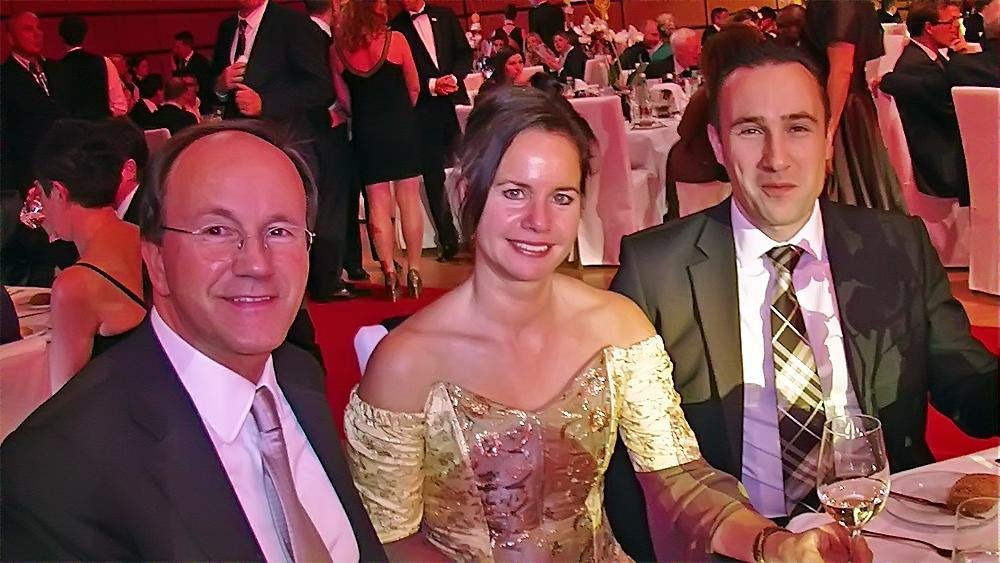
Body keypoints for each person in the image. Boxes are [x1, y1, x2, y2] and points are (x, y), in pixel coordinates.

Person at [344, 86, 871, 563]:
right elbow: (389, 539)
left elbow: (678, 477)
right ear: (466, 194)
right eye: (514, 192)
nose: (538, 221)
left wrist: (773, 545)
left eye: (561, 197)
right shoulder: (407, 362)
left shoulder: (616, 327)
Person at [606, 42, 998, 557]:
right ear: (718, 144)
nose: (777, 158)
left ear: (828, 138)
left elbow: (968, 389)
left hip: (882, 527)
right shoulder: (656, 270)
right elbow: (626, 459)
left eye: (798, 127)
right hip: (741, 539)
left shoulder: (895, 245)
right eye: (750, 131)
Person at [0, 120, 388, 561]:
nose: (256, 264)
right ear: (157, 261)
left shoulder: (299, 377)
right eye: (217, 230)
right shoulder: (57, 470)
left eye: (279, 231)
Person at [28, 120, 145, 389]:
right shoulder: (145, 238)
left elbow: (65, 397)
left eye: (42, 196)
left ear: (58, 191)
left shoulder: (75, 286)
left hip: (122, 411)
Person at [337, 0, 424, 301]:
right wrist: (401, 114)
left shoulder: (337, 51)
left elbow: (345, 102)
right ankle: (414, 271)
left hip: (367, 131)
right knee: (409, 199)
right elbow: (414, 87)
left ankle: (388, 274)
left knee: (377, 204)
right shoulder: (396, 40)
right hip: (401, 126)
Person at [803, 0, 905, 212]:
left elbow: (842, 69)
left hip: (840, 109)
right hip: (846, 104)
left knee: (846, 188)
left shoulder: (839, 4)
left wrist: (828, 132)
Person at [392, 0, 471, 263]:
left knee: (474, 167)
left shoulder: (445, 15)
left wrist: (454, 78)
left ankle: (481, 231)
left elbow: (464, 54)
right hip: (424, 110)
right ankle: (448, 239)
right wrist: (432, 85)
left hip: (456, 103)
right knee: (433, 176)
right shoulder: (396, 27)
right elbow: (399, 72)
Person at [664, 25, 763, 220]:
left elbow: (684, 130)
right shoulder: (714, 94)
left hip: (707, 172)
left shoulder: (714, 91)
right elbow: (685, 131)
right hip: (701, 174)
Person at [1, 11, 70, 287]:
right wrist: (20, 183)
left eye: (39, 28)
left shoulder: (57, 71)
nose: (37, 34)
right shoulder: (5, 78)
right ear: (10, 37)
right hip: (27, 180)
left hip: (65, 173)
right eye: (27, 29)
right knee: (36, 248)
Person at [879, 0, 972, 205]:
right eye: (951, 22)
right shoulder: (916, 64)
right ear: (929, 27)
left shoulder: (930, 57)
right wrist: (963, 59)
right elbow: (957, 109)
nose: (957, 28)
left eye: (958, 21)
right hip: (942, 162)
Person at [57, 15, 128, 119]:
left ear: (61, 38)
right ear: (85, 35)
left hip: (73, 127)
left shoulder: (57, 68)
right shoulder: (104, 62)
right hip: (102, 125)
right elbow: (120, 107)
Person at [171, 30, 214, 115]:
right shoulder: (177, 61)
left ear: (187, 46)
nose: (175, 50)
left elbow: (205, 86)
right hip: (183, 106)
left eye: (178, 47)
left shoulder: (201, 62)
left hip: (200, 106)